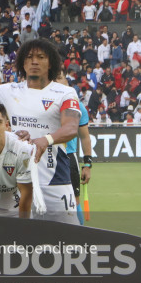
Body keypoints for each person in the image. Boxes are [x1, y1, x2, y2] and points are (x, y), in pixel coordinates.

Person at [0, 38, 81, 223]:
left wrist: (45, 140)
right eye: (29, 57)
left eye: (41, 57)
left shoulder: (64, 92)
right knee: (22, 243)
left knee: (65, 242)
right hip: (18, 184)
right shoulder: (9, 90)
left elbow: (71, 127)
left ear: (50, 62)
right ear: (22, 63)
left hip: (55, 182)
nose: (34, 61)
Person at [57, 70, 92, 223]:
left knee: (74, 201)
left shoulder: (77, 106)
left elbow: (85, 136)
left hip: (68, 157)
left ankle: (81, 237)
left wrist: (87, 164)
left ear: (66, 82)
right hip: (44, 156)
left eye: (60, 78)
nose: (57, 82)